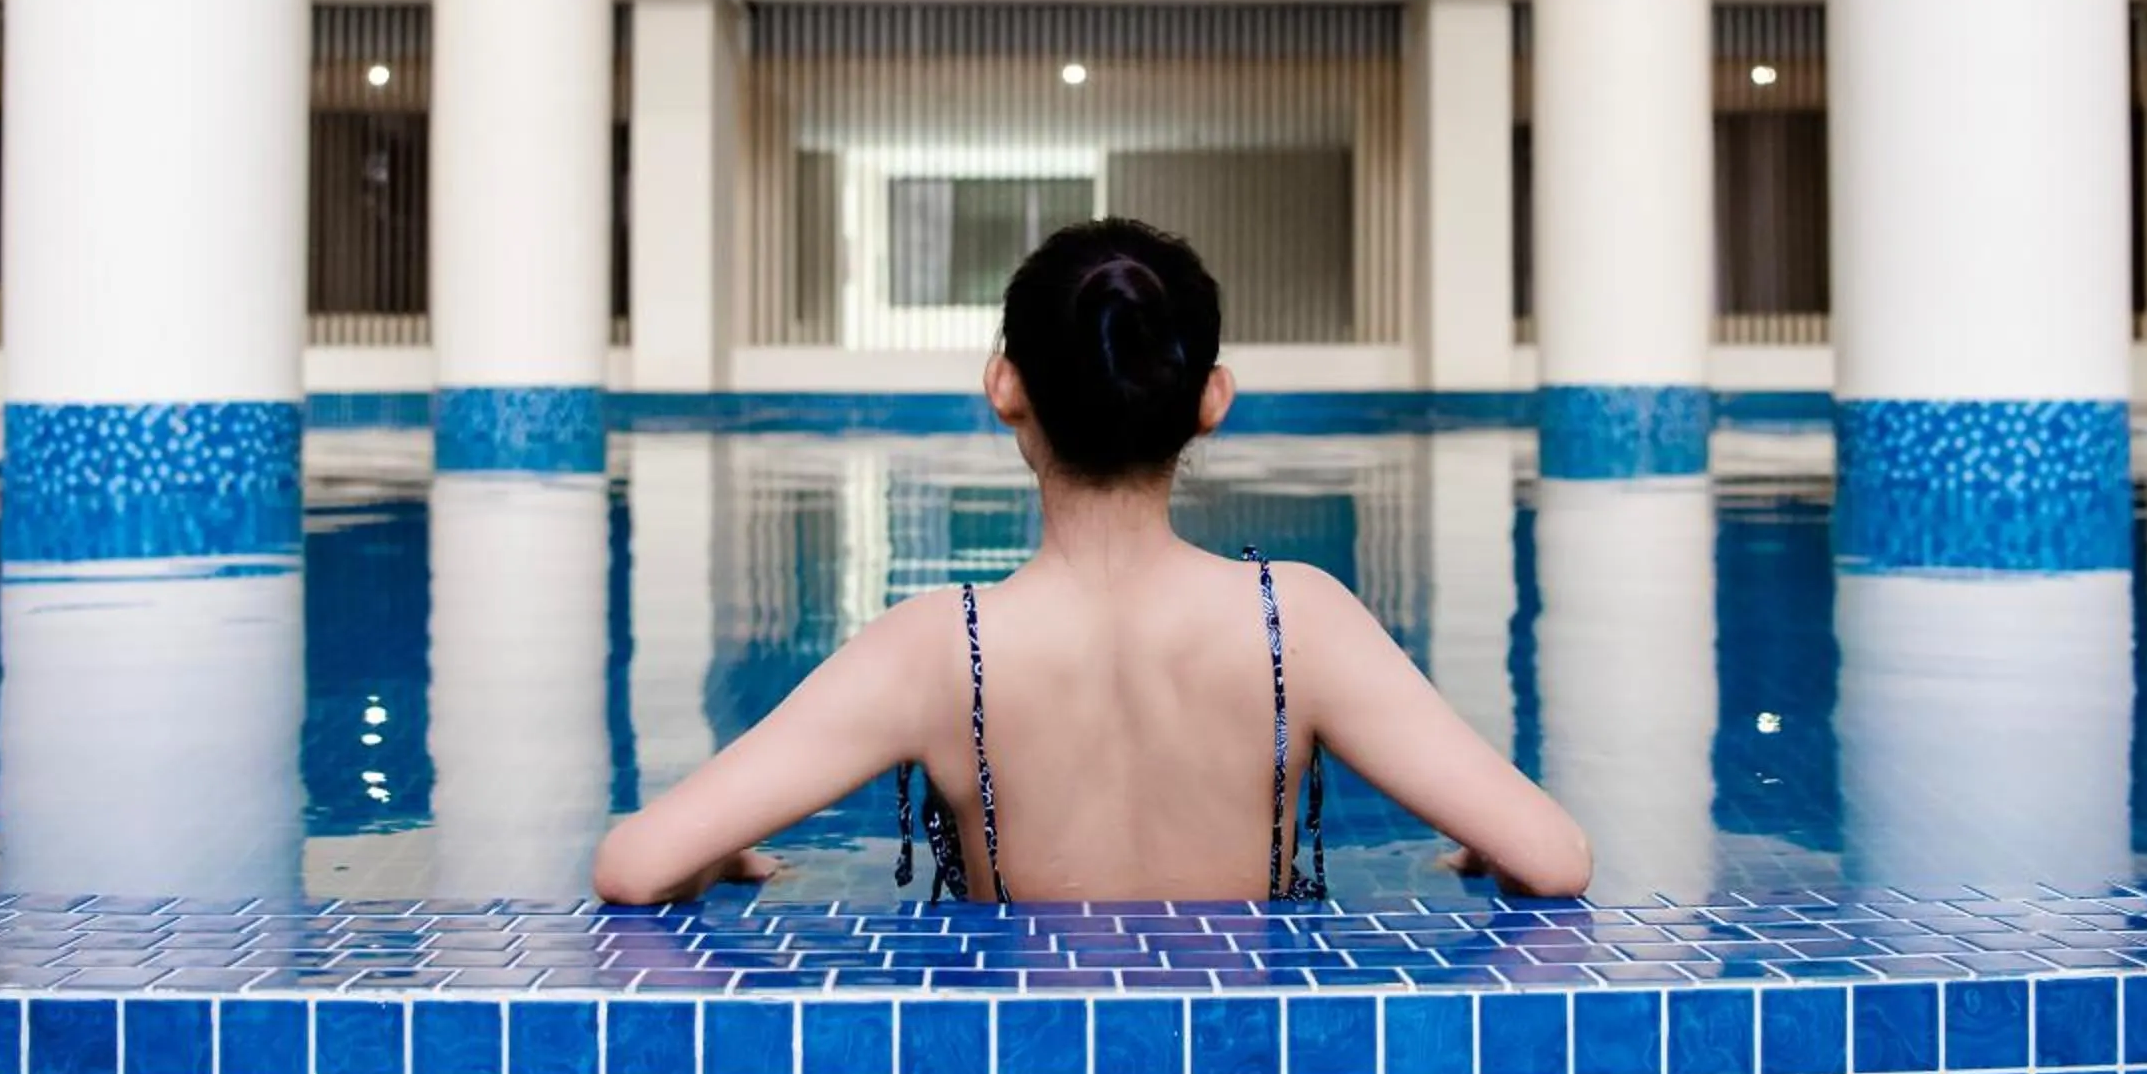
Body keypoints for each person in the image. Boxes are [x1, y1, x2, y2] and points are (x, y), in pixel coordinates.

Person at [590, 218, 1592, 905]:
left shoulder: (933, 646)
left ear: (1003, 385)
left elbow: (631, 867)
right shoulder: (1302, 619)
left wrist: (711, 855)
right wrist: (1487, 842)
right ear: (1213, 399)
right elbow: (1555, 858)